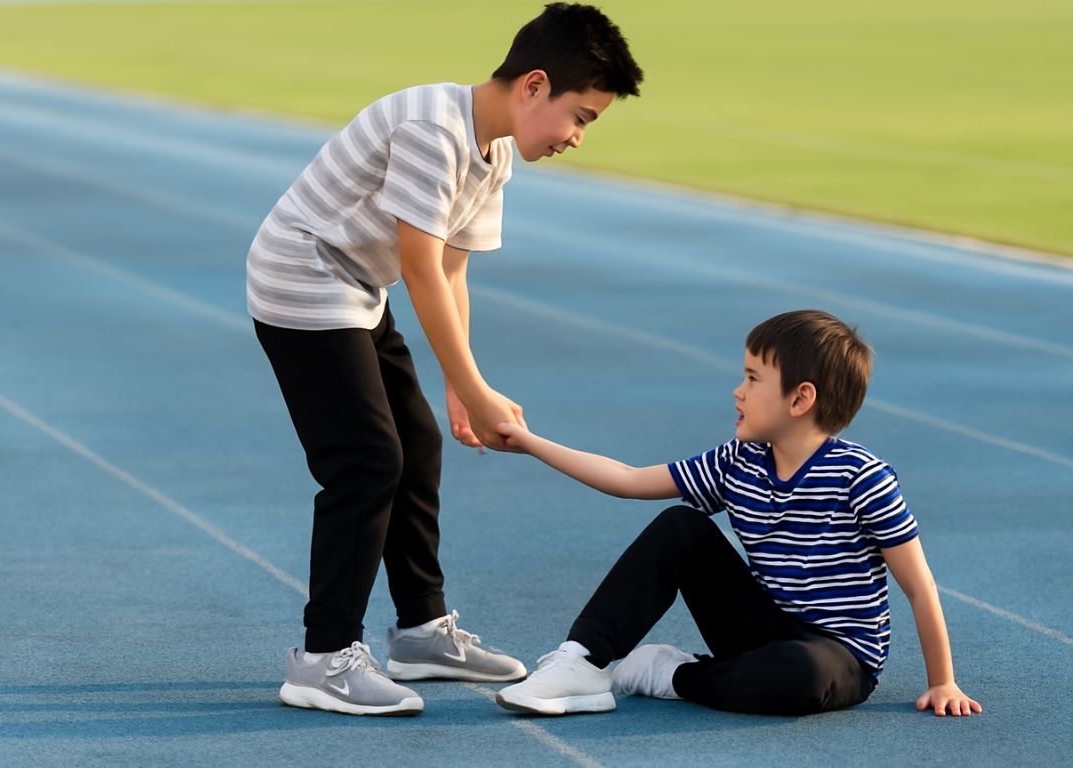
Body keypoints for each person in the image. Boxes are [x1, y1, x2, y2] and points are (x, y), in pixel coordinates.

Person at [246, 3, 643, 716]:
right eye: (580, 116)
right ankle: (323, 659)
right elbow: (419, 267)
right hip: (304, 275)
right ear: (534, 86)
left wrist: (464, 386)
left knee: (418, 442)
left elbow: (454, 271)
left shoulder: (494, 153)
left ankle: (420, 633)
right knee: (366, 463)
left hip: (356, 285)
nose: (578, 137)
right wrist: (471, 385)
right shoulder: (434, 130)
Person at [493, 310, 983, 718]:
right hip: (757, 631)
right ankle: (582, 663)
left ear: (800, 398)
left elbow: (919, 586)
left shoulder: (863, 477)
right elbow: (627, 479)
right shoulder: (738, 461)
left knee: (801, 676)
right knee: (680, 526)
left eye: (752, 378)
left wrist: (943, 681)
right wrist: (532, 443)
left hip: (838, 657)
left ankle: (673, 674)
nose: (737, 391)